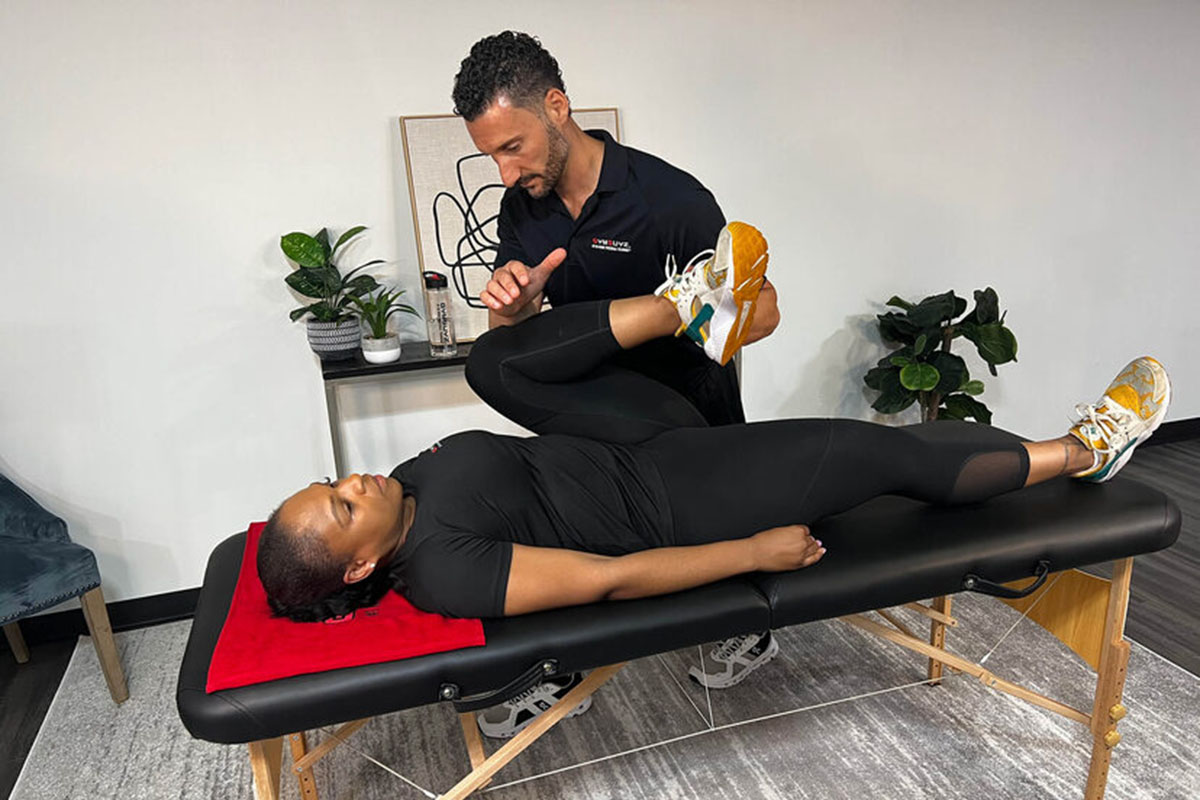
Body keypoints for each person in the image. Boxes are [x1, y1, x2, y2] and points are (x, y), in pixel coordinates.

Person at [256, 273, 1172, 737]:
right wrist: (753, 556)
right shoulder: (446, 569)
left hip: (638, 439)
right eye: (342, 509)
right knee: (878, 453)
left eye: (332, 483)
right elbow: (610, 581)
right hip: (676, 500)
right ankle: (1086, 450)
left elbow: (517, 414)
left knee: (491, 361)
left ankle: (686, 304)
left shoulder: (409, 485)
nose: (356, 483)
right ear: (362, 566)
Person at [451, 29, 783, 695]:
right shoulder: (522, 206)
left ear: (556, 106)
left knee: (700, 548)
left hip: (684, 403)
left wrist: (694, 316)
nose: (506, 174)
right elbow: (510, 332)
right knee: (497, 373)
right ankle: (566, 668)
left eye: (512, 148)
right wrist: (511, 303)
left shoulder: (668, 199)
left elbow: (766, 310)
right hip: (589, 402)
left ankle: (750, 625)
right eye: (490, 157)